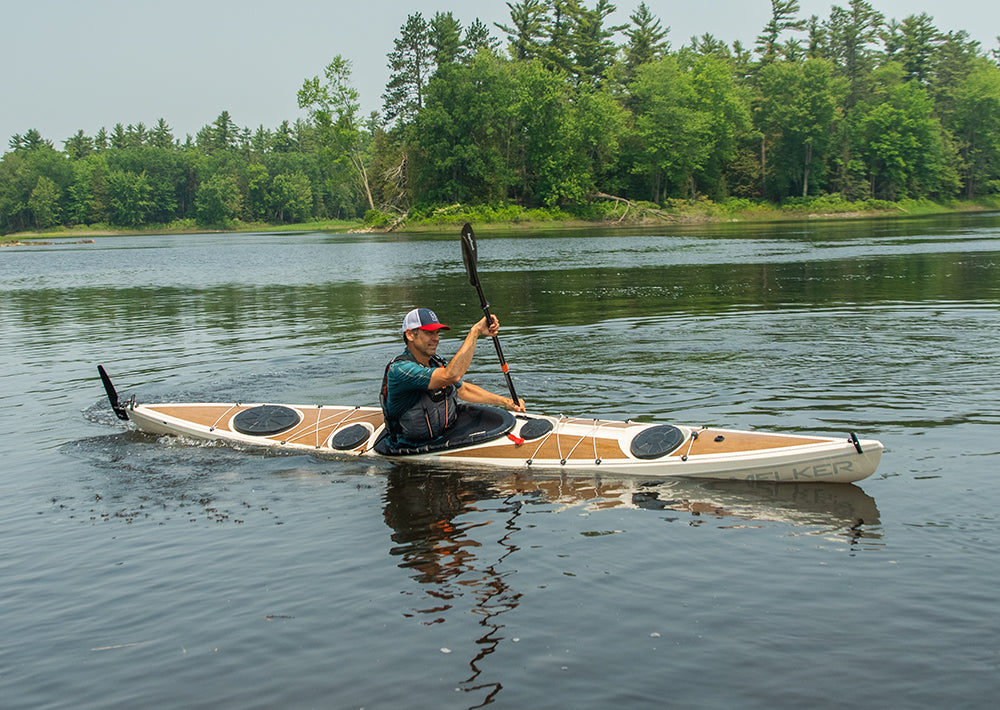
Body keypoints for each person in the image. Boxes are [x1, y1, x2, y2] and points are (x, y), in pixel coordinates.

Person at [381, 307, 526, 446]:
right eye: (429, 333)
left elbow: (463, 390)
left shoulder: (435, 363)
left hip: (445, 435)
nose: (436, 338)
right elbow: (452, 376)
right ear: (410, 335)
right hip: (409, 446)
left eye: (437, 333)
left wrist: (506, 402)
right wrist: (475, 332)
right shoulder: (401, 370)